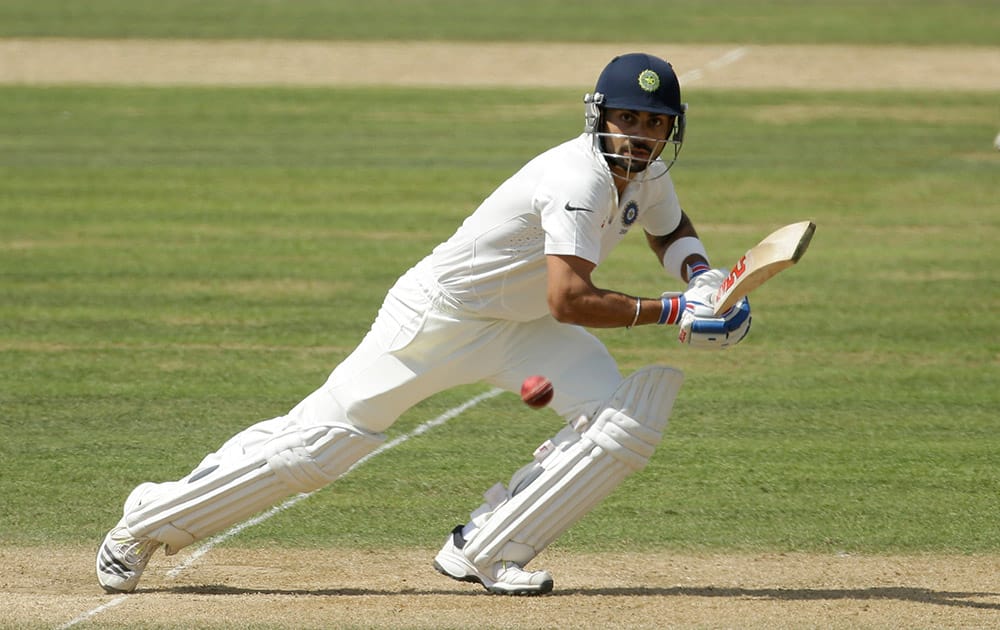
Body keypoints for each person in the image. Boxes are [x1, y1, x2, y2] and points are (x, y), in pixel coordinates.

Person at [96, 52, 751, 597]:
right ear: (599, 115)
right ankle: (144, 522)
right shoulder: (576, 179)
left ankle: (486, 548)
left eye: (653, 123)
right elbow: (570, 300)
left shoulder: (644, 171)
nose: (637, 133)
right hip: (438, 320)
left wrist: (701, 277)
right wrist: (673, 310)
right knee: (320, 448)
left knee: (621, 420)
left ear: (671, 130)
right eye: (627, 118)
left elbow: (669, 229)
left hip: (520, 332)